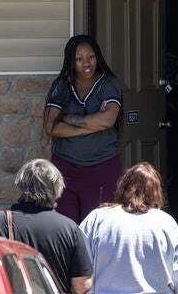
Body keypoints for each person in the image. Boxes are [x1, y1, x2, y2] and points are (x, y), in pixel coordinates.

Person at [43, 34, 123, 223]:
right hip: (65, 170)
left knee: (101, 227)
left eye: (91, 57)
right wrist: (91, 126)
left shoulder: (109, 83)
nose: (86, 63)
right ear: (71, 62)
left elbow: (108, 119)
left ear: (98, 57)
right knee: (66, 226)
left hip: (102, 168)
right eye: (79, 59)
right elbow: (50, 126)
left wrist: (70, 119)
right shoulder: (61, 86)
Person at [79, 162, 178, 294]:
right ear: (156, 192)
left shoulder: (97, 218)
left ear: (123, 187)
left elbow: (79, 266)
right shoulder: (166, 222)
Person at [0, 159, 93, 294]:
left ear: (22, 185)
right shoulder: (69, 228)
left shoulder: (1, 221)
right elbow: (82, 285)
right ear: (57, 187)